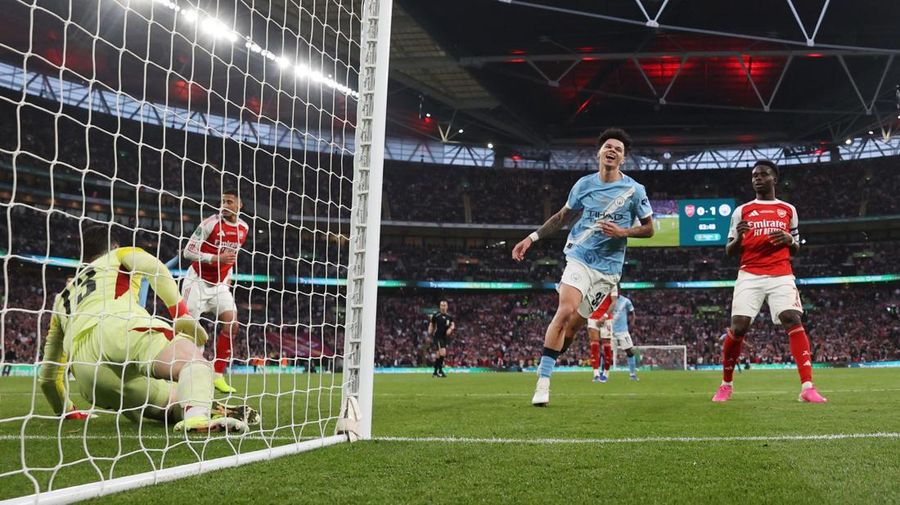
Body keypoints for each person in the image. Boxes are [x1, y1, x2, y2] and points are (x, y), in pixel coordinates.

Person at [39, 224, 252, 432]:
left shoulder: (61, 299)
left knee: (172, 401)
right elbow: (154, 268)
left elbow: (48, 377)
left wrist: (67, 410)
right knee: (194, 362)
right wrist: (181, 314)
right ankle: (197, 419)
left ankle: (200, 410)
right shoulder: (118, 254)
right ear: (113, 245)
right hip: (116, 326)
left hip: (87, 374)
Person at [512, 128, 654, 406]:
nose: (612, 151)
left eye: (618, 149)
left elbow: (649, 229)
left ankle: (549, 358)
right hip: (579, 256)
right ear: (599, 152)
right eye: (608, 147)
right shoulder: (584, 185)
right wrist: (531, 238)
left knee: (574, 328)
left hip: (608, 271)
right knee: (564, 310)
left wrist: (623, 232)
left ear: (623, 159)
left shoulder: (635, 191)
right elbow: (562, 217)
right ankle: (543, 383)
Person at [712, 160, 826, 403]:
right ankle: (726, 385)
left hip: (781, 273)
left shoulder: (788, 210)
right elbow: (729, 251)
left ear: (774, 179)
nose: (757, 179)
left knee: (792, 318)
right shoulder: (741, 211)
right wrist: (740, 238)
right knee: (739, 326)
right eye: (754, 175)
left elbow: (795, 249)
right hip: (750, 273)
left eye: (763, 174)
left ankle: (807, 387)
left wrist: (788, 239)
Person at [181, 187, 249, 394]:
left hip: (219, 286)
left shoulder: (244, 228)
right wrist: (215, 259)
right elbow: (188, 251)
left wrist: (227, 278)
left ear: (240, 205)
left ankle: (217, 374)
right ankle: (185, 375)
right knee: (188, 332)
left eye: (230, 202)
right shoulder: (210, 223)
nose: (225, 205)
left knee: (232, 324)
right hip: (197, 282)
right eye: (223, 201)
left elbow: (231, 258)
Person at [428, 300, 455, 377]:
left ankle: (435, 372)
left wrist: (451, 329)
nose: (443, 307)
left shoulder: (449, 317)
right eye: (441, 305)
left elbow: (452, 324)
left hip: (444, 338)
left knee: (438, 355)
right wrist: (430, 330)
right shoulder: (436, 315)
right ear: (440, 307)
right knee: (443, 352)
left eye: (444, 305)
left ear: (447, 307)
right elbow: (431, 323)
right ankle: (440, 371)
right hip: (437, 336)